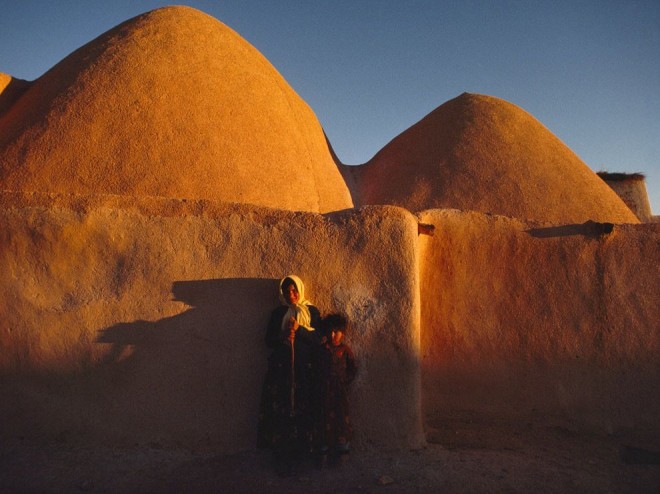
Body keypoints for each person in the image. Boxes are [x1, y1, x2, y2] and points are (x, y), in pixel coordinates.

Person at [257, 275, 321, 475]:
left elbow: (318, 339)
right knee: (283, 409)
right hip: (281, 370)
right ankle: (282, 458)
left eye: (294, 290)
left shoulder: (311, 311)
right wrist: (284, 336)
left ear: (300, 290)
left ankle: (304, 457)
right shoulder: (278, 313)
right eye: (287, 292)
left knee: (304, 407)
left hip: (304, 370)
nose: (291, 295)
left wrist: (299, 329)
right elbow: (268, 341)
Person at [317, 313, 357, 465]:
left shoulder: (345, 350)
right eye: (330, 331)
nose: (333, 334)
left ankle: (343, 452)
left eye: (336, 331)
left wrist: (344, 381)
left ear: (343, 333)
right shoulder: (322, 350)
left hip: (340, 393)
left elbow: (352, 368)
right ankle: (323, 453)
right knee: (323, 420)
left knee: (342, 421)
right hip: (323, 393)